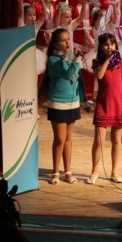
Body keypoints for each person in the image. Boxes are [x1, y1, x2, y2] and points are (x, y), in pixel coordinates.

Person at [38, 28, 84, 184]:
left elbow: (76, 77)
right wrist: (76, 60)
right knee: (59, 139)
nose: (67, 43)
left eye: (68, 39)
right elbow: (68, 74)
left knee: (68, 139)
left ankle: (68, 172)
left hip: (73, 102)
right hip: (58, 103)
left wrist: (76, 58)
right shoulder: (53, 60)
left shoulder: (71, 56)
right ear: (56, 44)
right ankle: (56, 172)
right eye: (63, 40)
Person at [86, 33, 122, 184]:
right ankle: (94, 172)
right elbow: (99, 76)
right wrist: (108, 59)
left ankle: (114, 172)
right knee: (99, 141)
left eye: (112, 44)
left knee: (116, 140)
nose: (109, 47)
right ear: (101, 47)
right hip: (104, 105)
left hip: (119, 105)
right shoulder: (97, 63)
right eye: (106, 44)